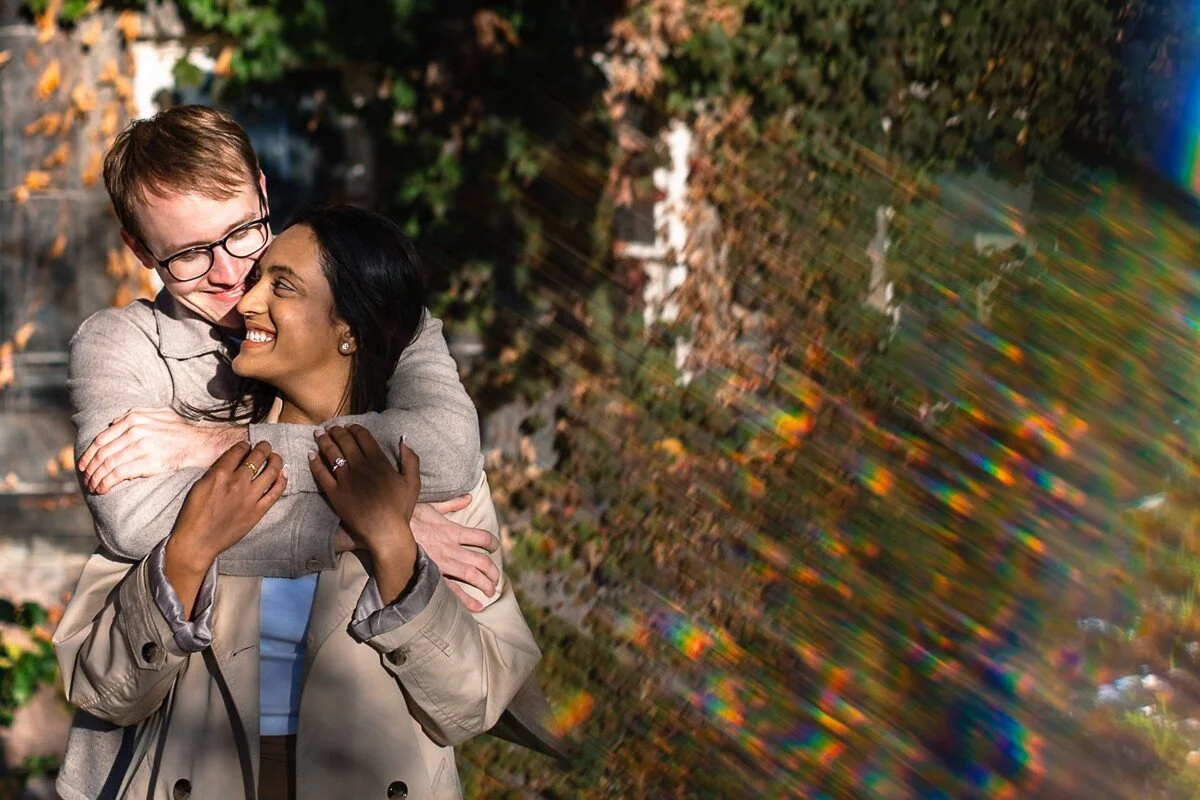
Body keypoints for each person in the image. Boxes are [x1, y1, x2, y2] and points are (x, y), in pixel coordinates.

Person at [54, 204, 542, 799]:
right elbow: (104, 691)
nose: (247, 301)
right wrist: (188, 553)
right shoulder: (193, 469)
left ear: (349, 329)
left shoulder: (431, 484)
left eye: (281, 286)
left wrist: (394, 546)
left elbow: (474, 703)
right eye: (259, 278)